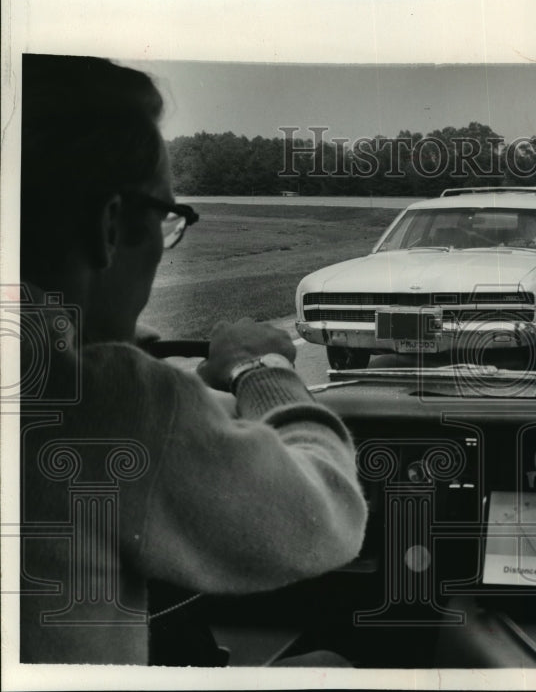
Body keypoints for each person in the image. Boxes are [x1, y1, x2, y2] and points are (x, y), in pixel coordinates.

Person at [17, 54, 368, 665]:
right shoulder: (104, 399)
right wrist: (265, 372)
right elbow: (329, 514)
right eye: (167, 217)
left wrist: (177, 378)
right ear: (111, 223)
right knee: (332, 664)